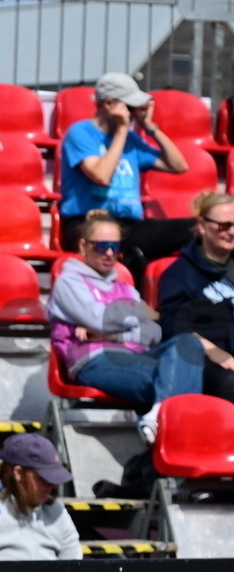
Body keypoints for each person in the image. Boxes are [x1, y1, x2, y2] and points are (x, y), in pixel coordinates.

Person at [46, 212, 206, 443]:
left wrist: (113, 334)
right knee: (175, 380)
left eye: (115, 246)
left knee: (188, 343)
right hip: (95, 359)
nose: (110, 253)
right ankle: (178, 433)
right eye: (101, 246)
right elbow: (98, 318)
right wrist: (133, 317)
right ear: (83, 245)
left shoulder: (125, 288)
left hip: (136, 355)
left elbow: (154, 329)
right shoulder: (69, 282)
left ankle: (158, 415)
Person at [59, 72, 192, 267]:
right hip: (88, 223)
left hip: (129, 225)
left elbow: (179, 166)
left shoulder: (131, 140)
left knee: (199, 228)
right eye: (131, 107)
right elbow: (101, 176)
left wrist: (150, 128)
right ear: (109, 104)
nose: (135, 114)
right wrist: (122, 130)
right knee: (124, 247)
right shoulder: (80, 132)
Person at [158, 192, 234, 404]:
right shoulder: (179, 274)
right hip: (204, 364)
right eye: (223, 226)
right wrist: (212, 351)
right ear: (202, 226)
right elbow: (173, 328)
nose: (232, 232)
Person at [0, 434, 81, 561]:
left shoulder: (57, 510)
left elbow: (73, 566)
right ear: (18, 473)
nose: (53, 485)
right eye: (44, 478)